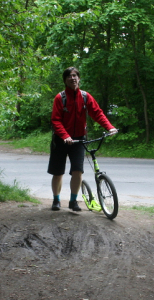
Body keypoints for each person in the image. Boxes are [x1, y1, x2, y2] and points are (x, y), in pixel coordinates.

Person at [48, 67, 118, 211]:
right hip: (61, 140)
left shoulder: (85, 97)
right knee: (58, 172)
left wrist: (109, 127)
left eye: (74, 75)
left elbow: (97, 113)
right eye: (69, 76)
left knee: (77, 171)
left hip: (79, 139)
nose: (72, 78)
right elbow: (55, 120)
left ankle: (73, 201)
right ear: (65, 80)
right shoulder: (60, 98)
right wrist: (65, 136)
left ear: (79, 78)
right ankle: (56, 200)